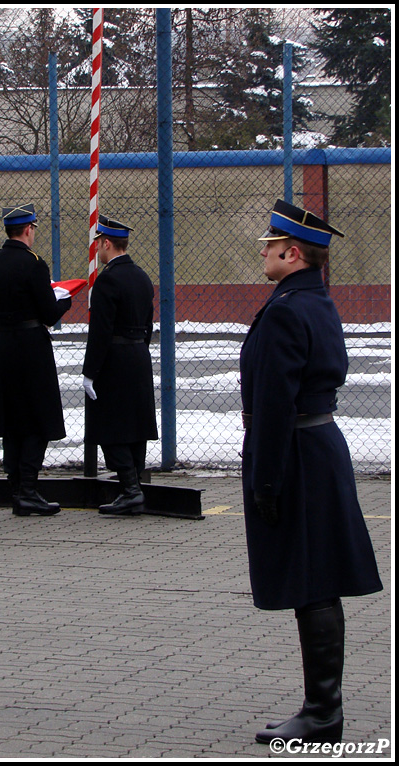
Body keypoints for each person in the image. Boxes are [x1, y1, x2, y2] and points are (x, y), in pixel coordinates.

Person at [239, 199, 383, 745]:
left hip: (296, 451)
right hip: (319, 446)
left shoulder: (285, 310)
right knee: (316, 579)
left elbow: (275, 404)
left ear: (292, 253)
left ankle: (323, 715)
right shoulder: (314, 300)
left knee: (312, 581)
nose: (265, 254)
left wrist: (266, 481)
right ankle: (321, 709)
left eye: (270, 247)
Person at [0, 204, 72, 516]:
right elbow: (48, 313)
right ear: (28, 229)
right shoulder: (34, 264)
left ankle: (16, 486)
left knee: (11, 417)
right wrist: (65, 300)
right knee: (37, 416)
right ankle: (29, 490)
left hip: (3, 344)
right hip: (31, 345)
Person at [82, 215, 158, 515]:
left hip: (114, 359)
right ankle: (134, 483)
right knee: (136, 423)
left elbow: (99, 332)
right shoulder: (141, 276)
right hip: (139, 355)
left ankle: (130, 489)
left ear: (107, 243)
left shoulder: (107, 280)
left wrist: (90, 372)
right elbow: (149, 322)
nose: (97, 249)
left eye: (99, 243)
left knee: (109, 422)